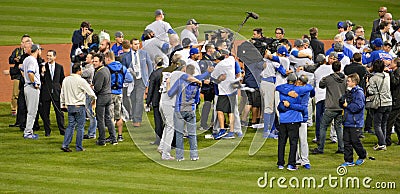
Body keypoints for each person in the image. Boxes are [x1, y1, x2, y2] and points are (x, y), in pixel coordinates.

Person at [168, 65, 203, 161]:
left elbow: (170, 93)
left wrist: (168, 85)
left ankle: (180, 156)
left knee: (179, 134)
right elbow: (197, 99)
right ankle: (194, 156)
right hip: (191, 109)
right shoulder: (196, 84)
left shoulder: (180, 81)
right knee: (192, 133)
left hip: (179, 109)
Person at [60, 63, 96, 152]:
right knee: (80, 127)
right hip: (79, 106)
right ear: (79, 71)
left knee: (70, 126)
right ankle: (79, 147)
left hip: (70, 107)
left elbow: (62, 93)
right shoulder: (81, 81)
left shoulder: (66, 79)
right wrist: (94, 100)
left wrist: (63, 104)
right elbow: (91, 93)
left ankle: (65, 144)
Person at [312, 61, 346, 154]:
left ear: (332, 68)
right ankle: (341, 148)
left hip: (330, 107)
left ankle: (320, 148)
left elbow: (321, 85)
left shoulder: (328, 78)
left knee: (323, 126)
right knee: (339, 127)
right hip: (341, 106)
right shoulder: (345, 78)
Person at [121, 38, 154, 127]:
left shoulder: (144, 53)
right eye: (135, 44)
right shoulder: (125, 57)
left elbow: (150, 65)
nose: (137, 46)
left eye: (138, 44)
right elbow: (124, 69)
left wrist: (149, 77)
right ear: (131, 45)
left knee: (139, 99)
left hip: (141, 80)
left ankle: (137, 119)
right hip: (131, 81)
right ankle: (132, 116)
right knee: (132, 99)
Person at [338, 73, 367, 166]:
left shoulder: (359, 93)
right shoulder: (349, 91)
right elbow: (343, 104)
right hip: (347, 120)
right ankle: (349, 160)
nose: (347, 82)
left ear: (354, 82)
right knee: (346, 142)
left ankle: (362, 155)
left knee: (355, 141)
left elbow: (358, 106)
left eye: (348, 81)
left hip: (355, 121)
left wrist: (347, 105)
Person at [276, 73, 302, 171]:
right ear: (296, 82)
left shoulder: (282, 88)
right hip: (293, 120)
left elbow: (278, 87)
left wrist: (286, 92)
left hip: (282, 120)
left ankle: (280, 163)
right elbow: (300, 105)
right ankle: (291, 164)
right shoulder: (298, 91)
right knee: (293, 143)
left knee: (281, 142)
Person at [105, 51, 133, 142]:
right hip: (119, 93)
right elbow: (130, 79)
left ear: (108, 58)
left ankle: (112, 136)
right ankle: (120, 136)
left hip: (109, 94)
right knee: (119, 115)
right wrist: (121, 83)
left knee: (110, 116)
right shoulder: (123, 67)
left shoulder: (107, 68)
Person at [92, 53, 118, 146]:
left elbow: (97, 88)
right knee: (108, 118)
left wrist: (92, 89)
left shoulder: (99, 72)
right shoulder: (106, 69)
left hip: (102, 97)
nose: (94, 63)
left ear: (101, 62)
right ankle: (113, 138)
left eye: (96, 61)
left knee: (100, 119)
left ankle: (102, 140)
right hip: (109, 96)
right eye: (93, 61)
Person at [367, 60, 392, 151]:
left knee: (377, 125)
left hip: (380, 103)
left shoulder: (373, 78)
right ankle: (382, 142)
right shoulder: (388, 76)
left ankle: (382, 143)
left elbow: (371, 91)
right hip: (389, 102)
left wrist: (367, 83)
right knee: (384, 124)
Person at [39, 50, 66, 136]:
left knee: (59, 112)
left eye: (50, 56)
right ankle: (47, 131)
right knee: (45, 113)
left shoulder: (59, 67)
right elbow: (40, 80)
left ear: (55, 57)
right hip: (46, 93)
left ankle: (62, 130)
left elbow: (62, 79)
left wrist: (62, 92)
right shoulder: (43, 67)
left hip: (56, 93)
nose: (48, 57)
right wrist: (42, 73)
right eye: (47, 55)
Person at [22, 44, 43, 139]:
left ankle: (28, 131)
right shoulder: (32, 60)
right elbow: (30, 72)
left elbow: (22, 70)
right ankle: (28, 132)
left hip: (27, 86)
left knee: (30, 110)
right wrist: (34, 83)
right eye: (40, 50)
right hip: (32, 88)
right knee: (32, 111)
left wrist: (27, 80)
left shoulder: (26, 59)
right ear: (37, 50)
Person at [8, 34, 31, 116]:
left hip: (28, 75)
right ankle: (14, 109)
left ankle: (27, 109)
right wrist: (15, 59)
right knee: (16, 93)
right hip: (18, 75)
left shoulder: (31, 51)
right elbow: (10, 60)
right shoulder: (17, 51)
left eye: (28, 41)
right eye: (24, 41)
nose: (26, 43)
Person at [146, 56, 165, 145]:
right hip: (166, 99)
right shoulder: (167, 71)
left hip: (156, 100)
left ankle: (159, 139)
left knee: (158, 120)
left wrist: (148, 101)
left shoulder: (154, 74)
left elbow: (151, 89)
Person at [81, 52, 97, 139]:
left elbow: (80, 73)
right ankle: (91, 132)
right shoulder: (88, 67)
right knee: (88, 112)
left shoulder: (90, 69)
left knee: (90, 113)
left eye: (88, 57)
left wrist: (79, 66)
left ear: (92, 60)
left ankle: (92, 133)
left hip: (88, 93)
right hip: (86, 93)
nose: (86, 58)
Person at [386, 58, 400, 145]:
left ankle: (387, 140)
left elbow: (395, 82)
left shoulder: (398, 72)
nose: (390, 64)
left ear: (396, 64)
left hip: (396, 100)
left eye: (391, 62)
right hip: (397, 99)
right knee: (398, 121)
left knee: (389, 121)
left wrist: (390, 73)